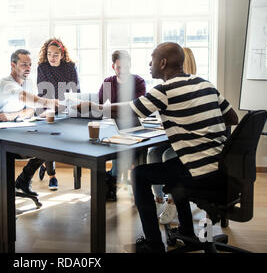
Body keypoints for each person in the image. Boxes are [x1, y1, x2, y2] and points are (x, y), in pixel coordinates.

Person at [79, 42, 238, 252]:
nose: (149, 64)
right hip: (221, 168)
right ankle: (186, 232)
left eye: (152, 59)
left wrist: (96, 107)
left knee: (139, 174)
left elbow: (129, 110)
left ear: (163, 63)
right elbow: (232, 118)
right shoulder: (205, 84)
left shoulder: (165, 89)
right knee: (174, 164)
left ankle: (153, 244)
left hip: (199, 173)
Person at [0, 49, 59, 196]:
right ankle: (3, 190)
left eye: (30, 65)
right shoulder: (5, 84)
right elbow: (24, 98)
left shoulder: (29, 82)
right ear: (13, 65)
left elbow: (30, 110)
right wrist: (49, 102)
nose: (28, 68)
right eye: (24, 64)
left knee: (48, 144)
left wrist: (13, 115)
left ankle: (24, 180)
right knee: (1, 150)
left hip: (15, 129)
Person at [149, 47, 198, 224]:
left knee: (168, 155)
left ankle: (172, 201)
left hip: (193, 146)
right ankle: (159, 198)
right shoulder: (167, 89)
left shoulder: (196, 87)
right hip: (176, 139)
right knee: (153, 152)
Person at [98, 50, 146, 200]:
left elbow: (137, 107)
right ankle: (111, 180)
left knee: (119, 147)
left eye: (126, 66)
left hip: (133, 128)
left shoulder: (138, 82)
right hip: (111, 126)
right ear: (113, 67)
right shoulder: (108, 82)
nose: (122, 70)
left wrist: (114, 109)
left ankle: (112, 179)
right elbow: (100, 108)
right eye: (119, 67)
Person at [36, 38, 80, 190]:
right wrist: (52, 104)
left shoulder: (70, 67)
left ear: (62, 55)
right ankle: (52, 176)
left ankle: (43, 163)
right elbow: (43, 91)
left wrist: (68, 104)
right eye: (49, 54)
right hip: (48, 106)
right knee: (48, 141)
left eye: (55, 54)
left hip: (66, 106)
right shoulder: (42, 67)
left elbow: (75, 89)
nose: (52, 58)